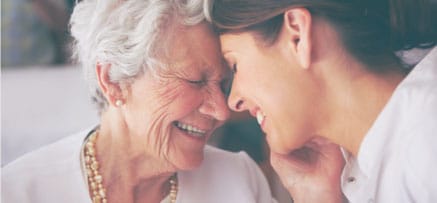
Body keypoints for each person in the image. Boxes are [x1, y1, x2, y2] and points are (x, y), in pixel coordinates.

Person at [1, 0, 276, 202]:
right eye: (195, 81)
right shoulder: (20, 192)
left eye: (224, 85)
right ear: (113, 81)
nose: (221, 111)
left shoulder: (240, 181)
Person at [207, 0, 437, 202]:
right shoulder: (373, 166)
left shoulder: (425, 149)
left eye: (235, 65)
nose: (233, 101)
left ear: (297, 34)